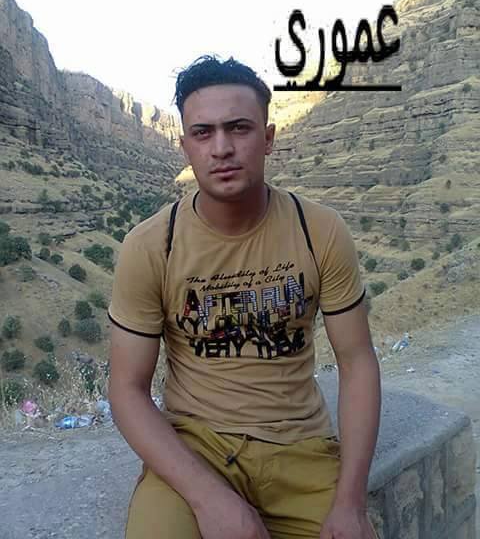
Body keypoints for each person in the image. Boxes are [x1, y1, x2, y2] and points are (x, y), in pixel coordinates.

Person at [107, 55, 381, 539]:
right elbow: (127, 388)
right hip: (195, 449)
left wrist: (351, 502)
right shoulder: (151, 246)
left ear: (268, 137)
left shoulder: (318, 231)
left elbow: (357, 361)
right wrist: (207, 498)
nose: (222, 148)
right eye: (203, 133)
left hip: (301, 450)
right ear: (185, 145)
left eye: (239, 128)